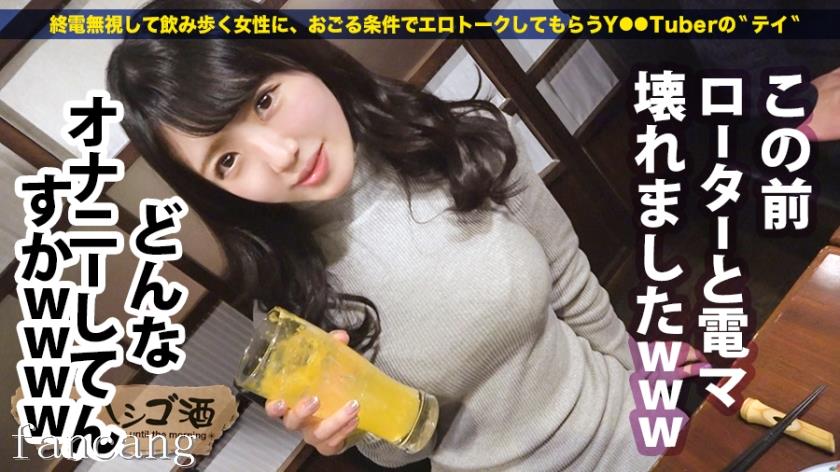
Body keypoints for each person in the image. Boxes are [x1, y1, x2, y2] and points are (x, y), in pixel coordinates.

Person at [107, 1, 701, 469]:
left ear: (297, 57)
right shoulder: (290, 307)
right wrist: (347, 431)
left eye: (264, 100)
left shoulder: (460, 144)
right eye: (227, 161)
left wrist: (648, 382)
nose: (280, 155)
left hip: (634, 427)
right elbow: (405, 449)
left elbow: (570, 280)